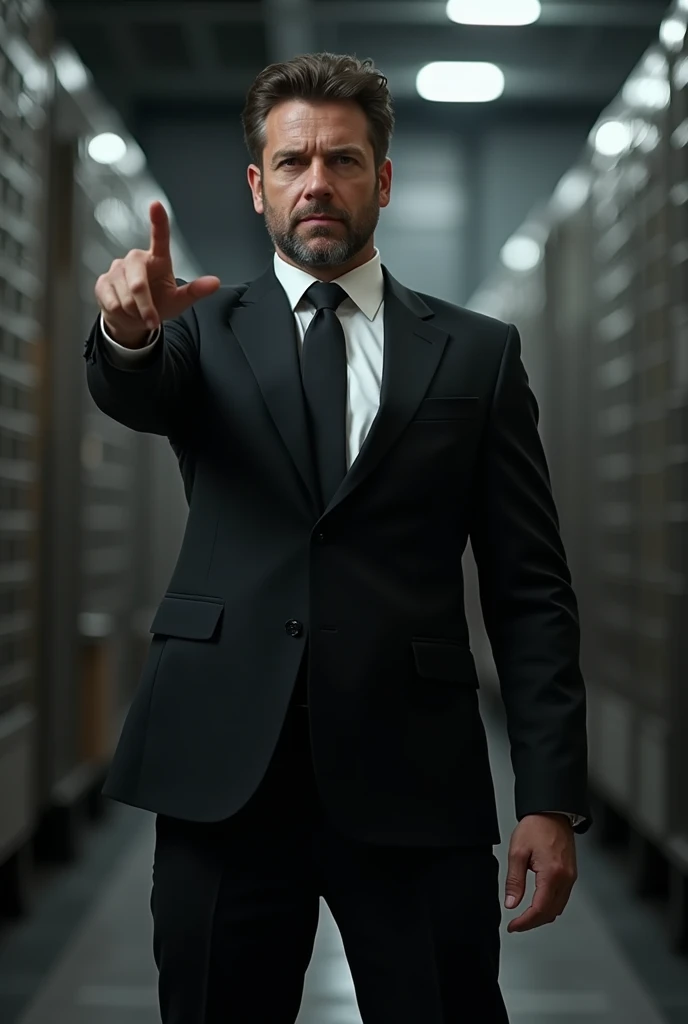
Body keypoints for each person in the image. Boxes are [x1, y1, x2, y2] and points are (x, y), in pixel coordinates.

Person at [84, 51, 590, 1024]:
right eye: (293, 161)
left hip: (412, 775)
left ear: (383, 178)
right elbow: (133, 388)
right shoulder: (198, 328)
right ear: (258, 183)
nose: (317, 181)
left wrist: (550, 793)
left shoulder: (476, 353)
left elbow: (530, 586)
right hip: (221, 772)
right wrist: (129, 333)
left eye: (344, 159)